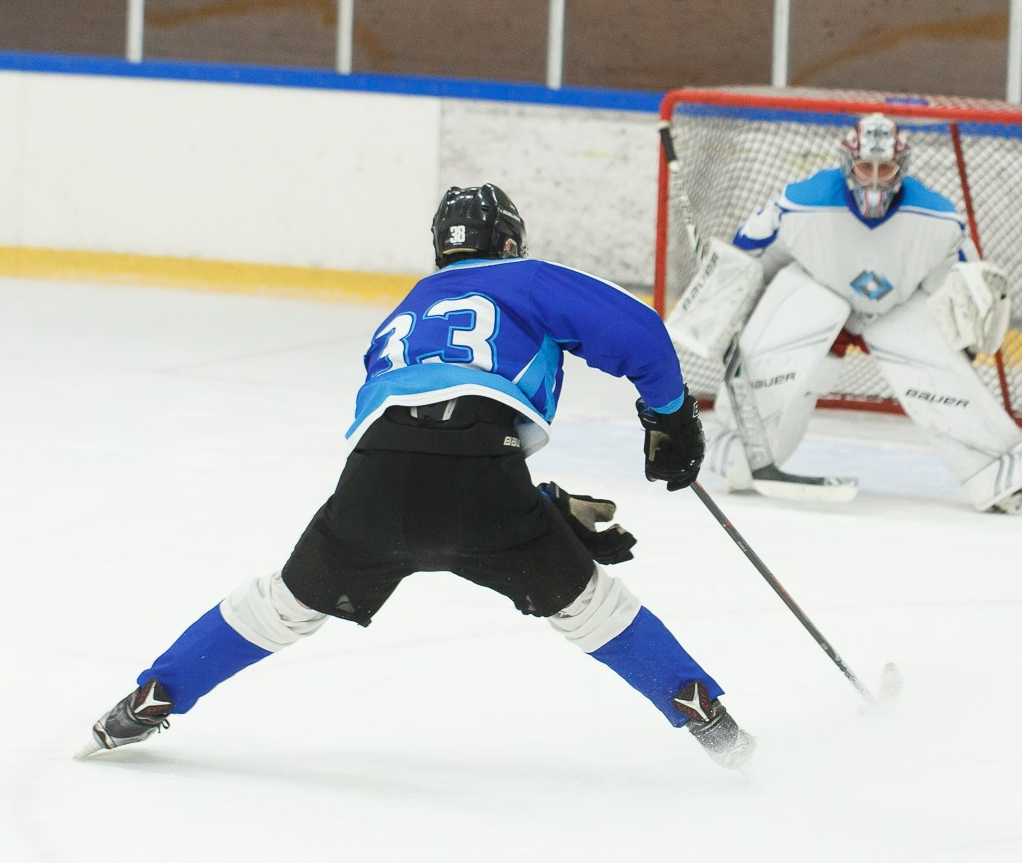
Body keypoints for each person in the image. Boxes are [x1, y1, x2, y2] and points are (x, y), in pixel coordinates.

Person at [81, 184, 753, 769]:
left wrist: (544, 507)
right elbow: (636, 329)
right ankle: (710, 722)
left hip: (373, 480)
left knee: (280, 604)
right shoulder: (523, 279)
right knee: (593, 609)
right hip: (484, 480)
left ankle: (150, 698)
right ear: (510, 241)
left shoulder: (400, 315)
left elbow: (420, 442)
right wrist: (670, 420)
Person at [686, 113, 1022, 513]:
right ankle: (736, 454)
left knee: (935, 367)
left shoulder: (939, 219)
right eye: (864, 166)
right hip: (818, 293)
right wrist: (722, 308)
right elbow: (748, 251)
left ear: (901, 167)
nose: (873, 179)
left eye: (884, 168)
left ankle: (1000, 475)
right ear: (847, 163)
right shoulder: (799, 202)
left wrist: (966, 334)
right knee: (784, 342)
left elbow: (962, 283)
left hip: (895, 307)